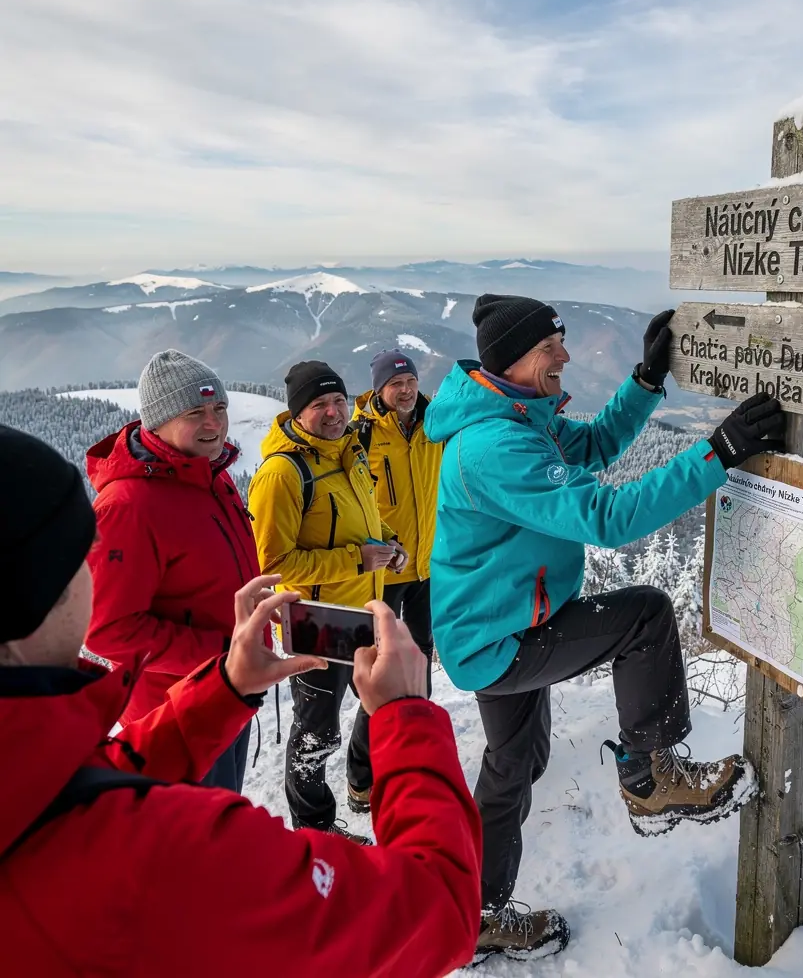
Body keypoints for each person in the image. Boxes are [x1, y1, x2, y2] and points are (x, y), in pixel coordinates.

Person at [0, 424, 482, 978]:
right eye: (83, 553)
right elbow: (438, 910)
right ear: (40, 591)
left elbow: (92, 778)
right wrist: (404, 717)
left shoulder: (30, 777)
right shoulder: (168, 854)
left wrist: (224, 688)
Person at [424, 294, 787, 962]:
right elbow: (609, 518)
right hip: (499, 639)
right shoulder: (495, 444)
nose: (564, 356)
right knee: (643, 616)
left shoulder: (515, 415)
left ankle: (470, 913)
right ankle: (652, 778)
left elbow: (589, 447)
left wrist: (645, 384)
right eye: (550, 347)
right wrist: (717, 453)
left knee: (513, 765)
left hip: (490, 627)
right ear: (512, 359)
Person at [84, 350, 261, 793]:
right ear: (157, 421)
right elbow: (108, 631)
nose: (214, 423)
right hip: (173, 714)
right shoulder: (127, 507)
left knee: (223, 823)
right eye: (195, 412)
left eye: (219, 408)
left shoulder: (209, 476)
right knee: (195, 839)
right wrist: (222, 649)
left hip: (227, 687)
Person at [247, 361, 410, 837]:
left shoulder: (348, 452)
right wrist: (359, 561)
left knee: (385, 702)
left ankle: (365, 783)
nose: (334, 412)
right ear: (298, 413)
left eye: (339, 400)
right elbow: (274, 564)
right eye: (319, 404)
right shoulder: (283, 474)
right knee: (317, 731)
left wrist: (390, 545)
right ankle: (314, 828)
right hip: (316, 622)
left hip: (363, 611)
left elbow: (366, 522)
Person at [352, 350, 441, 709]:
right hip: (385, 568)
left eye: (410, 382)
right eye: (395, 384)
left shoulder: (435, 424)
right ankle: (375, 738)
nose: (405, 390)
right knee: (380, 662)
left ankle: (419, 718)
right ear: (379, 389)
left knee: (421, 651)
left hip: (426, 566)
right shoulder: (361, 434)